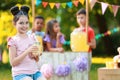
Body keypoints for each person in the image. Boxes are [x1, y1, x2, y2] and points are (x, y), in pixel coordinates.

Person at [7, 5, 46, 80]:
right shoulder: (13, 41)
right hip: (20, 74)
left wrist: (36, 55)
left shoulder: (32, 37)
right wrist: (28, 51)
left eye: (26, 23)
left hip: (34, 72)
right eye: (21, 23)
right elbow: (13, 62)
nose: (24, 26)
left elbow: (37, 59)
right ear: (14, 24)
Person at [73, 8, 96, 73]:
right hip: (77, 54)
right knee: (77, 73)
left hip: (86, 54)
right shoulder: (75, 31)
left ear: (87, 18)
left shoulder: (90, 30)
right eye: (78, 18)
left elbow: (94, 45)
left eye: (82, 18)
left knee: (86, 73)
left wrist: (85, 43)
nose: (80, 20)